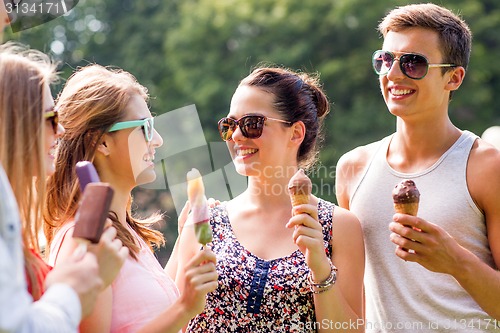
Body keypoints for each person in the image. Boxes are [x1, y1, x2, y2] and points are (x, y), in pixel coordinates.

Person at [336, 3, 500, 332]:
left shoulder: (487, 167)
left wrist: (455, 261)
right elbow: (356, 301)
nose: (393, 74)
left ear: (453, 77)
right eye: (384, 60)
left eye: (413, 63)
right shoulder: (353, 168)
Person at [176, 66, 365, 332]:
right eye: (229, 126)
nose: (237, 136)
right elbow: (167, 317)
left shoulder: (339, 226)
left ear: (296, 133)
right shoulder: (205, 221)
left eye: (252, 124)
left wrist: (321, 268)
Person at [44, 64, 218, 333]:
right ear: (102, 143)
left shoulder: (123, 231)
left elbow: (146, 310)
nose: (157, 140)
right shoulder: (85, 239)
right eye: (145, 127)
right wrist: (186, 307)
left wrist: (186, 237)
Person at [0, 42, 127, 332]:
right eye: (50, 117)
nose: (61, 130)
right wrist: (78, 285)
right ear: (15, 125)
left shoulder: (18, 241)